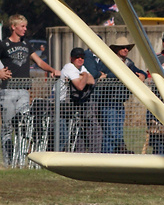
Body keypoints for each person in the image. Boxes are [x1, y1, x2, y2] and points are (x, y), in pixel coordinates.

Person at [1, 15, 58, 164]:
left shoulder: (26, 44)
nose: (25, 29)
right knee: (7, 127)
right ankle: (8, 162)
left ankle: (19, 159)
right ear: (13, 27)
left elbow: (39, 61)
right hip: (7, 90)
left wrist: (52, 70)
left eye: (26, 26)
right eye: (22, 26)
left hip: (24, 91)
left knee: (24, 124)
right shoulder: (3, 44)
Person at [94, 36, 147, 153]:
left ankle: (116, 156)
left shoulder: (128, 63)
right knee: (110, 133)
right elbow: (109, 74)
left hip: (119, 102)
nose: (125, 50)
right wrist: (128, 75)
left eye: (127, 48)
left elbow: (140, 72)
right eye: (122, 48)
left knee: (118, 133)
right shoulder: (108, 61)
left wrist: (143, 75)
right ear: (116, 49)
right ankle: (107, 158)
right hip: (108, 102)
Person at [58, 47, 96, 151]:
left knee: (76, 131)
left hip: (72, 104)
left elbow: (92, 81)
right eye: (77, 57)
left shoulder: (81, 68)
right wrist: (84, 77)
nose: (80, 59)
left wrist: (80, 77)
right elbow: (80, 86)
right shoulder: (69, 67)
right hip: (61, 105)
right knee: (63, 136)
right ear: (71, 58)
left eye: (82, 57)